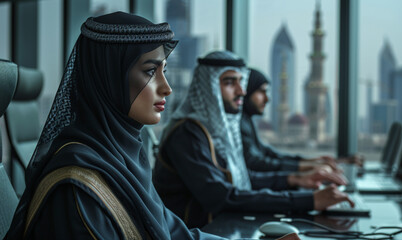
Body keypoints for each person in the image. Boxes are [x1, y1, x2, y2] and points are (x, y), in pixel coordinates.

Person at [5, 12, 226, 240]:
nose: (167, 87)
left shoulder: (122, 155)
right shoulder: (78, 187)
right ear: (110, 77)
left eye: (165, 71)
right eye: (151, 71)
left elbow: (176, 234)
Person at [153, 50, 353, 229]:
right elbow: (222, 196)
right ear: (208, 87)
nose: (241, 91)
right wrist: (307, 200)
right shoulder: (187, 134)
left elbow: (239, 176)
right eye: (230, 82)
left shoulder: (211, 129)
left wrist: (297, 179)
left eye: (242, 82)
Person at [241, 68, 363, 173]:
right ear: (246, 91)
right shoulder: (240, 123)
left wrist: (315, 161)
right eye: (261, 92)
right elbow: (256, 163)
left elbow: (268, 154)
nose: (267, 99)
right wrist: (308, 168)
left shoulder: (247, 120)